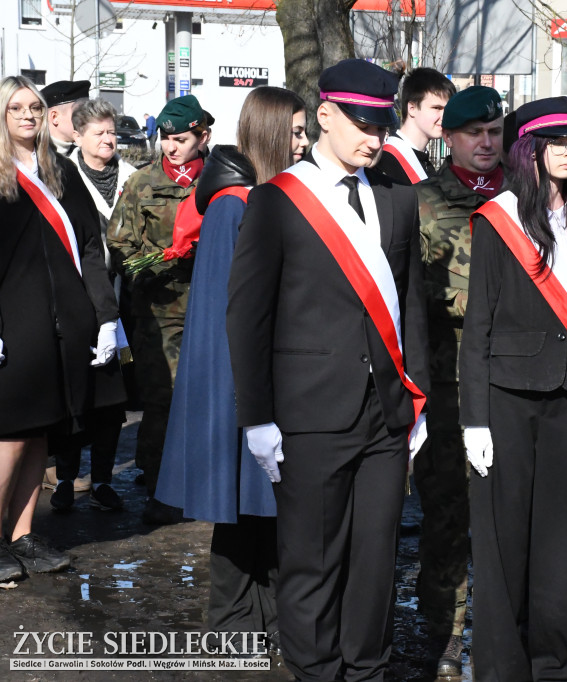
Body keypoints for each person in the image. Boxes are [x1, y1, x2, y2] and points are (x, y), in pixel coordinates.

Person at [225, 59, 429, 681]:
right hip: (309, 412)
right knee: (312, 560)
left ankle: (367, 669)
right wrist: (257, 417)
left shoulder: (397, 198)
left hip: (387, 412)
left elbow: (411, 303)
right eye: (363, 123)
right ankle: (315, 671)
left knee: (375, 560)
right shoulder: (277, 201)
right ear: (327, 116)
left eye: (383, 123)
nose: (375, 137)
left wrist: (418, 401)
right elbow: (247, 317)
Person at [459, 97, 567, 681]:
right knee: (500, 545)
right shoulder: (499, 217)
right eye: (560, 142)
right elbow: (478, 327)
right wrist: (474, 418)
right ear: (533, 148)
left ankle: (556, 664)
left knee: (562, 542)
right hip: (505, 397)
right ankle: (499, 666)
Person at [155, 86, 308, 652]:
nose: (303, 141)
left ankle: (265, 615)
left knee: (265, 505)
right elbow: (225, 308)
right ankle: (232, 622)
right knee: (241, 505)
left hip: (268, 373)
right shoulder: (233, 203)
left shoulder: (262, 196)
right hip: (237, 380)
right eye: (293, 132)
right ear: (269, 133)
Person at [0, 75, 122, 579]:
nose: (28, 115)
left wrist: (108, 318)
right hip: (15, 323)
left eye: (34, 106)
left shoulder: (63, 176)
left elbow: (93, 252)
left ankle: (23, 535)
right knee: (9, 434)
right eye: (16, 108)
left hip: (65, 325)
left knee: (40, 436)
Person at [413, 84, 504, 677]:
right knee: (447, 512)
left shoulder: (524, 199)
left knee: (503, 514)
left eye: (496, 133)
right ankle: (442, 631)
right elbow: (406, 299)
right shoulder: (420, 203)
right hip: (448, 386)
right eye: (475, 133)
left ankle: (500, 630)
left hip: (512, 384)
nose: (487, 144)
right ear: (449, 138)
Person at [107, 94, 211, 525]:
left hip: (211, 310)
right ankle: (159, 487)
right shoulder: (142, 184)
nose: (171, 147)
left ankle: (205, 483)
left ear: (203, 137)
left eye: (181, 138)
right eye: (166, 138)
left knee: (208, 400)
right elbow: (120, 244)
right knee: (162, 401)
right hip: (160, 311)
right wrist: (165, 259)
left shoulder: (220, 182)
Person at [46, 97, 137, 512]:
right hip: (78, 294)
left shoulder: (134, 177)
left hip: (123, 296)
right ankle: (66, 477)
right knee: (73, 388)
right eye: (98, 133)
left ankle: (101, 479)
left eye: (112, 132)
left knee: (110, 397)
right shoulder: (61, 177)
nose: (108, 139)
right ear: (77, 136)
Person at [375, 67, 455, 185]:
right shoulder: (385, 162)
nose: (444, 116)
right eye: (436, 108)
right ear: (412, 108)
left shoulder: (425, 162)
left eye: (447, 109)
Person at [40, 80, 90, 157]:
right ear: (55, 117)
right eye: (80, 112)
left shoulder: (84, 158)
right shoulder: (32, 158)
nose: (88, 119)